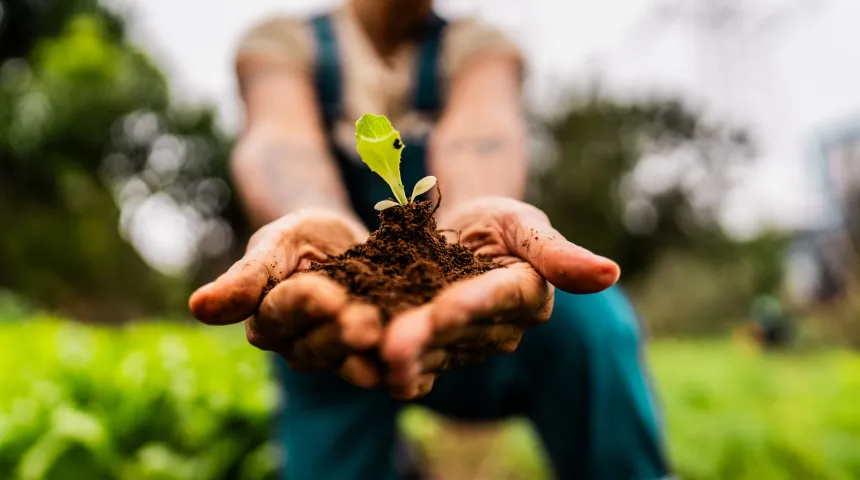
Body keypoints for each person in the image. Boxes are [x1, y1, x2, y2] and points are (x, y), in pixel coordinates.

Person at [189, 1, 671, 478]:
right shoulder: (283, 41)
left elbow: (480, 137)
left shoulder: (477, 45)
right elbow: (282, 143)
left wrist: (469, 226)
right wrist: (313, 220)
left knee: (594, 324)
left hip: (468, 304)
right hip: (330, 325)